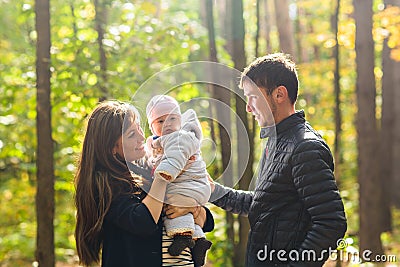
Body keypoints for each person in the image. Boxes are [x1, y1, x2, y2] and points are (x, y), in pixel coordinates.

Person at [209, 53, 347, 266]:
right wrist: (212, 191)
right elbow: (263, 205)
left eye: (253, 96)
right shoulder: (276, 142)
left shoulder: (305, 147)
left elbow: (331, 223)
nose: (248, 107)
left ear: (279, 94)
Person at [74, 100, 214, 267]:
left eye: (139, 127)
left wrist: (193, 209)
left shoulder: (145, 169)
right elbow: (143, 222)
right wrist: (164, 175)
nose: (142, 137)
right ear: (111, 147)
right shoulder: (106, 186)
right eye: (132, 134)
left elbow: (208, 222)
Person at [146, 95, 212, 266]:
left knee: (173, 202)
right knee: (182, 206)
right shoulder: (165, 143)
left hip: (189, 185)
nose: (167, 124)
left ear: (180, 120)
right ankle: (198, 239)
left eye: (172, 118)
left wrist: (165, 173)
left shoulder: (179, 137)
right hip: (195, 189)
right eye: (160, 121)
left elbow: (174, 160)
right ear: (152, 127)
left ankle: (182, 235)